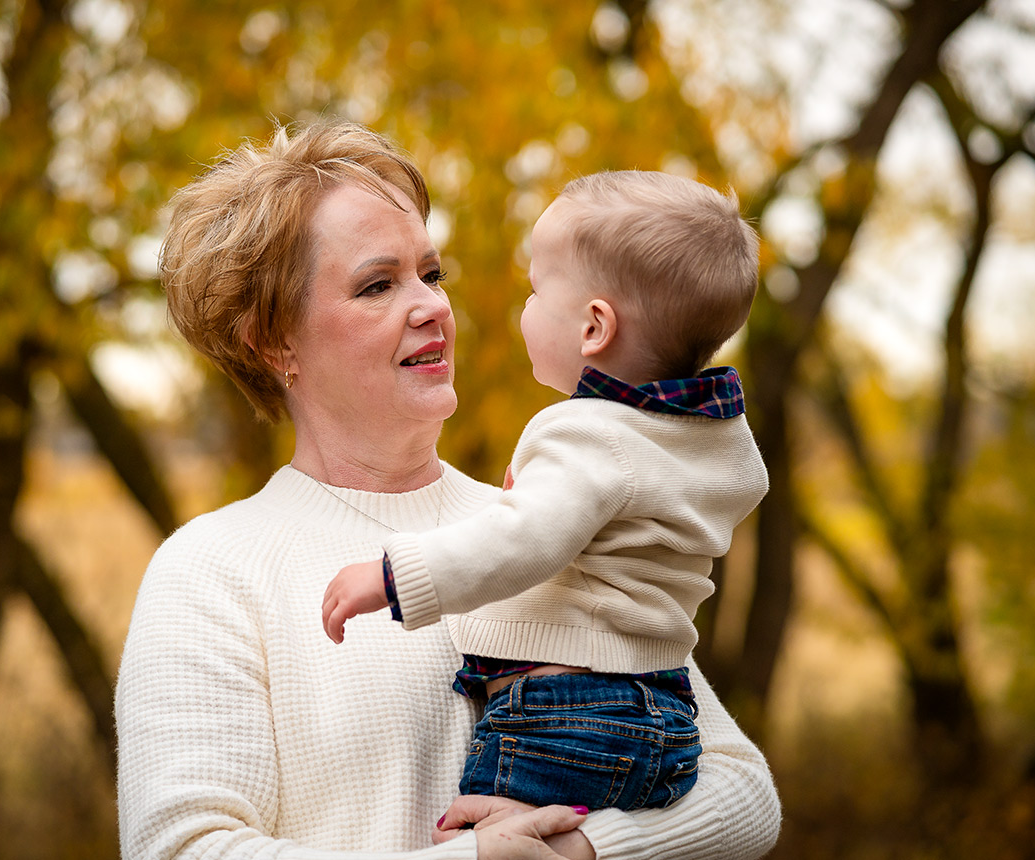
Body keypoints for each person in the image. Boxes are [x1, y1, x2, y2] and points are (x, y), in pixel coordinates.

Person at [114, 119, 781, 859]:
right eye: (377, 285)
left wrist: (586, 851)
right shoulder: (211, 568)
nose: (431, 306)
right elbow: (180, 848)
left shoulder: (541, 526)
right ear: (271, 342)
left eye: (431, 275)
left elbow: (743, 793)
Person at [322, 170, 768, 815]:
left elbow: (520, 541)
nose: (523, 307)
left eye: (535, 291)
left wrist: (397, 577)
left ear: (593, 328)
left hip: (565, 719)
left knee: (471, 844)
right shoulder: (714, 442)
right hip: (667, 717)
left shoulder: (588, 438)